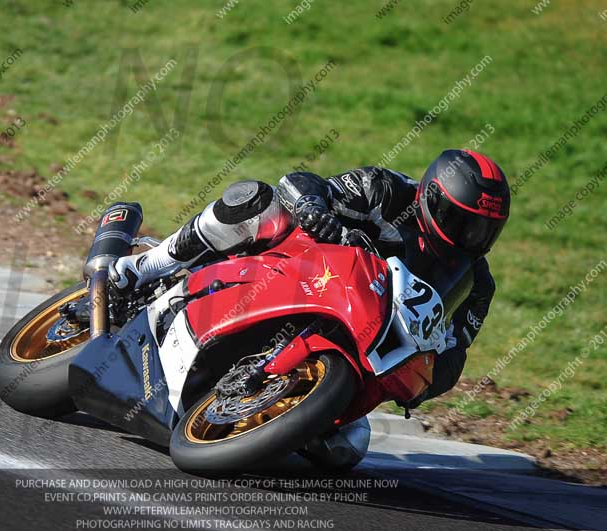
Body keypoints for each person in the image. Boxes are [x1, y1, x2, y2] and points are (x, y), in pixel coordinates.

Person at [110, 149, 510, 465]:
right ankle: (147, 267)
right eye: (462, 222)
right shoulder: (386, 190)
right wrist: (314, 210)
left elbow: (456, 354)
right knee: (258, 202)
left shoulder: (477, 285)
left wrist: (427, 377)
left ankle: (273, 411)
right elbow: (302, 184)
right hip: (300, 274)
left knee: (348, 448)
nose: (472, 238)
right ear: (432, 198)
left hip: (362, 347)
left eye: (485, 231)